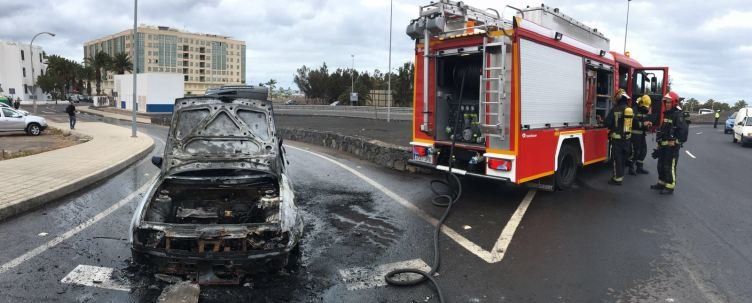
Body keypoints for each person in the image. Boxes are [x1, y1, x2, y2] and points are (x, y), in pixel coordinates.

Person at [651, 92, 688, 195]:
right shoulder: (667, 114)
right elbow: (663, 130)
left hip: (672, 148)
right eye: (665, 102)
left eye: (669, 102)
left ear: (674, 103)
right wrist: (659, 143)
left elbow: (683, 132)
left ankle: (670, 186)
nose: (667, 104)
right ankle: (661, 183)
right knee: (661, 165)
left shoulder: (678, 115)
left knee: (669, 166)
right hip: (663, 146)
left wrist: (676, 141)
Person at [605, 89, 634, 185]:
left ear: (618, 98)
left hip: (617, 140)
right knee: (622, 159)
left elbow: (608, 123)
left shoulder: (615, 109)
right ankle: (620, 177)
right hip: (627, 140)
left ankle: (616, 179)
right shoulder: (629, 109)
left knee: (616, 159)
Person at [628, 94, 652, 175]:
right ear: (641, 104)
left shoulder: (644, 110)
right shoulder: (634, 110)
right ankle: (631, 168)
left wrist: (648, 124)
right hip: (634, 134)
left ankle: (639, 167)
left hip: (641, 135)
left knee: (643, 151)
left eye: (647, 106)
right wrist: (643, 124)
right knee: (635, 152)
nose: (646, 108)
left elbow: (646, 120)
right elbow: (633, 122)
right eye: (645, 106)